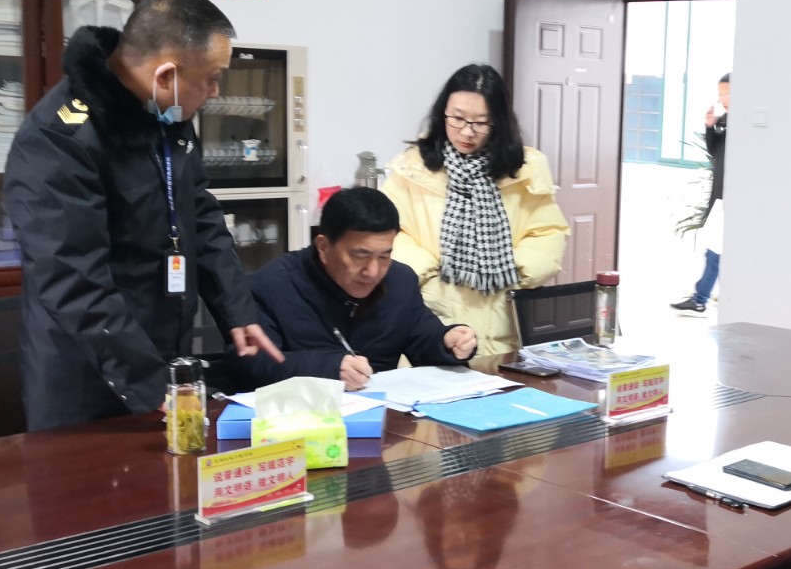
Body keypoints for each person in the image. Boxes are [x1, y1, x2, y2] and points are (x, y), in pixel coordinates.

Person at [4, 0, 281, 432]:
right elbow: (74, 282)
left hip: (163, 358)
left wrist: (237, 310)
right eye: (212, 78)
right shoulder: (59, 139)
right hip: (90, 379)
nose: (214, 92)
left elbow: (201, 215)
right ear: (166, 75)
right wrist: (153, 385)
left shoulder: (166, 115)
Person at [382, 63, 569, 356]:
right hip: (432, 321)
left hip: (503, 325)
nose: (467, 132)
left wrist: (513, 270)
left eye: (481, 122)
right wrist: (425, 273)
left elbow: (548, 231)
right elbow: (389, 231)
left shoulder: (525, 171)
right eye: (457, 118)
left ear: (499, 122)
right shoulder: (412, 169)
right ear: (443, 112)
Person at [237, 186, 477, 389]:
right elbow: (252, 366)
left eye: (384, 256)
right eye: (360, 255)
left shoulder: (399, 281)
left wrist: (447, 342)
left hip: (386, 418)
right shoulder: (271, 286)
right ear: (323, 247)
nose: (373, 271)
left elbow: (423, 338)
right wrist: (329, 369)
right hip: (300, 422)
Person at [670, 73, 730, 313]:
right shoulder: (726, 119)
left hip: (729, 199)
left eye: (727, 93)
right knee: (714, 251)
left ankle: (704, 299)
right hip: (720, 196)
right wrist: (710, 126)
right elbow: (716, 152)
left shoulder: (744, 121)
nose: (723, 98)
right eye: (720, 94)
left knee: (718, 252)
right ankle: (701, 298)